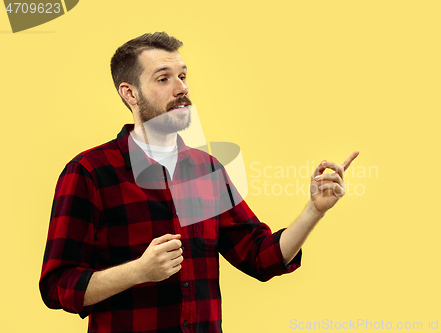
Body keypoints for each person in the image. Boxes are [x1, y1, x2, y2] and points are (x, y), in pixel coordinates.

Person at [39, 32, 359, 333]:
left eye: (183, 76)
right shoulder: (89, 171)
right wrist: (138, 271)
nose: (181, 89)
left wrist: (313, 210)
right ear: (130, 93)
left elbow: (260, 257)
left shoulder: (207, 169)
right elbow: (58, 287)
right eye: (163, 78)